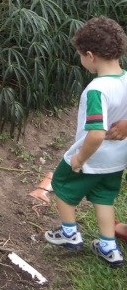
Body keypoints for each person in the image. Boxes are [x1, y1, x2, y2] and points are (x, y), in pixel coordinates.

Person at [44, 16, 127, 267]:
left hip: (93, 156)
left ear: (90, 55)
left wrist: (79, 158)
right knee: (104, 198)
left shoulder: (97, 89)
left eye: (80, 55)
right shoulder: (126, 78)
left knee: (61, 184)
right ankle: (108, 246)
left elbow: (96, 133)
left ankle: (69, 233)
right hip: (117, 159)